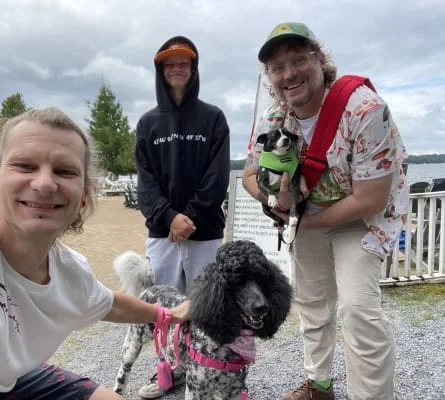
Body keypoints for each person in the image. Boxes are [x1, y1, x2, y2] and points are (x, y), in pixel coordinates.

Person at [0, 107, 189, 400]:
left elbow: (110, 304)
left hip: (5, 381)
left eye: (64, 171)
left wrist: (169, 315)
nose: (44, 184)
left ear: (84, 195)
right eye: (25, 166)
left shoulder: (70, 271)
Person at [243, 22, 409, 400]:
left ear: (320, 60)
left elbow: (370, 199)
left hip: (359, 220)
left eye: (298, 60)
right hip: (306, 219)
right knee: (312, 305)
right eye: (277, 67)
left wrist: (303, 220)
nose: (289, 74)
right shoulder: (273, 118)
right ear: (270, 76)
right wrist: (274, 202)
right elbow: (250, 176)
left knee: (358, 310)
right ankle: (319, 387)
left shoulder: (365, 109)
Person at [135, 35, 230, 398]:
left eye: (184, 63)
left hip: (205, 233)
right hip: (163, 235)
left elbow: (217, 177)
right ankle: (170, 370)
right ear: (160, 70)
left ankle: (210, 372)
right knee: (165, 309)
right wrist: (169, 217)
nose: (177, 69)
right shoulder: (148, 123)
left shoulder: (213, 118)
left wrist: (188, 217)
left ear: (193, 68)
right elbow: (146, 183)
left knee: (205, 305)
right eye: (170, 64)